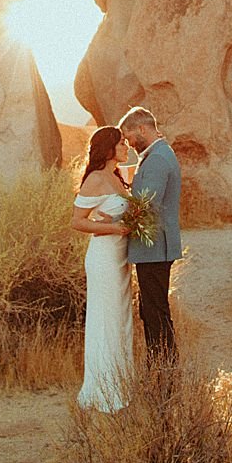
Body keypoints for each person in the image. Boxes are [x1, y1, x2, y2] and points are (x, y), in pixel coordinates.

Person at [69, 125, 136, 411]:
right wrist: (112, 228)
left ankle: (121, 384)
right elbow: (77, 221)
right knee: (107, 320)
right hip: (104, 258)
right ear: (108, 148)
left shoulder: (117, 176)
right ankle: (104, 390)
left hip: (121, 257)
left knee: (122, 319)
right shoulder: (96, 179)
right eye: (121, 142)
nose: (126, 146)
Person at [118, 105, 182, 365]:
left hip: (155, 247)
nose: (128, 142)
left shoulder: (157, 158)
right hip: (153, 247)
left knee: (155, 312)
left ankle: (163, 369)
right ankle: (160, 366)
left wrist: (114, 217)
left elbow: (147, 203)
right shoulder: (155, 154)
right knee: (151, 310)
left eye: (129, 135)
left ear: (142, 129)